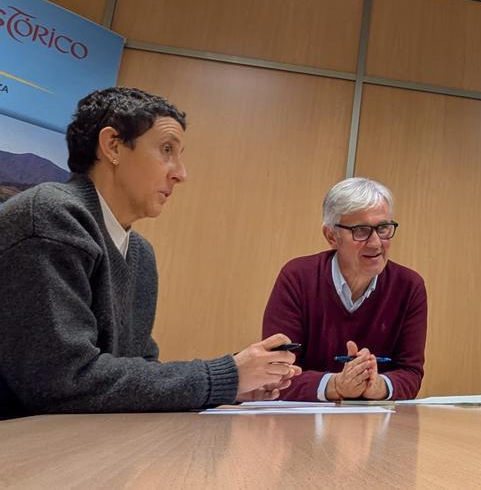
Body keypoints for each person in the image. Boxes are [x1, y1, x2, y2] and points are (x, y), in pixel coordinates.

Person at [0, 87, 300, 419]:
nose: (180, 173)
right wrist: (224, 376)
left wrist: (235, 386)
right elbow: (62, 382)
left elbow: (138, 371)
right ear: (113, 145)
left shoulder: (140, 253)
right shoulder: (51, 215)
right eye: (166, 149)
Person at [262, 177, 426, 401]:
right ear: (331, 236)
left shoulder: (409, 287)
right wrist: (336, 385)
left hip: (376, 426)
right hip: (301, 424)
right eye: (361, 230)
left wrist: (378, 386)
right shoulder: (297, 278)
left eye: (384, 228)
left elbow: (411, 373)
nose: (376, 243)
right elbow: (274, 372)